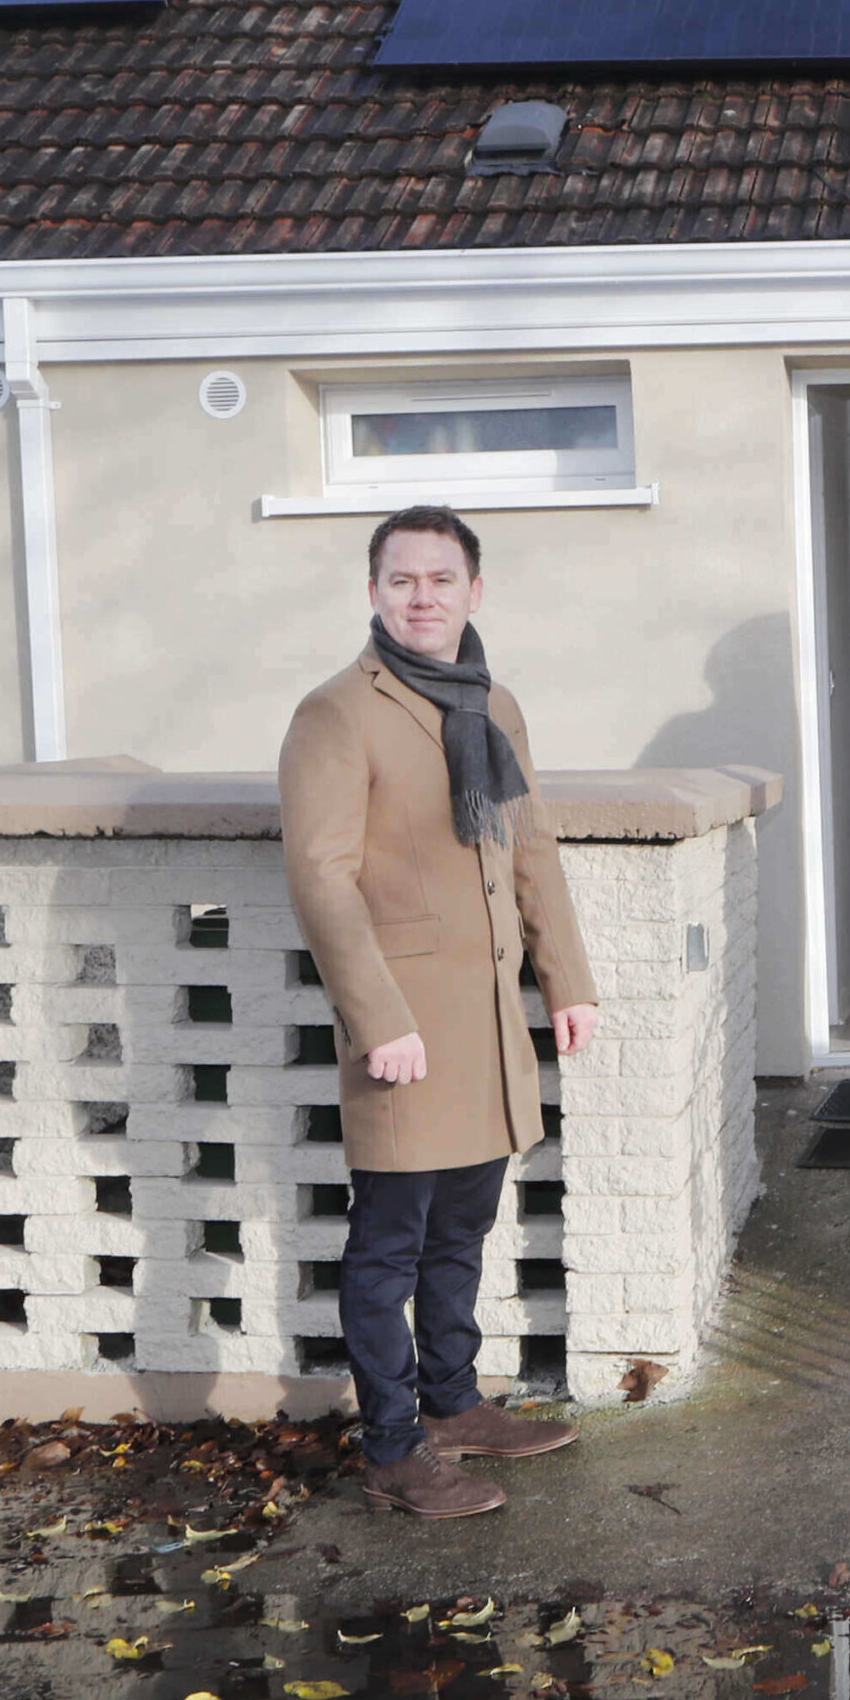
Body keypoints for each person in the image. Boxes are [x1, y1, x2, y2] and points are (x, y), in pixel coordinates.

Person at [279, 505, 600, 1519]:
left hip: (489, 1026)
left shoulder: (493, 703)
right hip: (406, 1033)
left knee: (464, 1228)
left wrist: (569, 982)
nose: (422, 596)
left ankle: (454, 1406)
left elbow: (528, 848)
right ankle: (393, 1449)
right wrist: (379, 1019)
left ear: (474, 590)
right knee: (389, 1247)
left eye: (441, 577)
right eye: (402, 578)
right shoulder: (336, 712)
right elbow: (321, 879)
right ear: (372, 590)